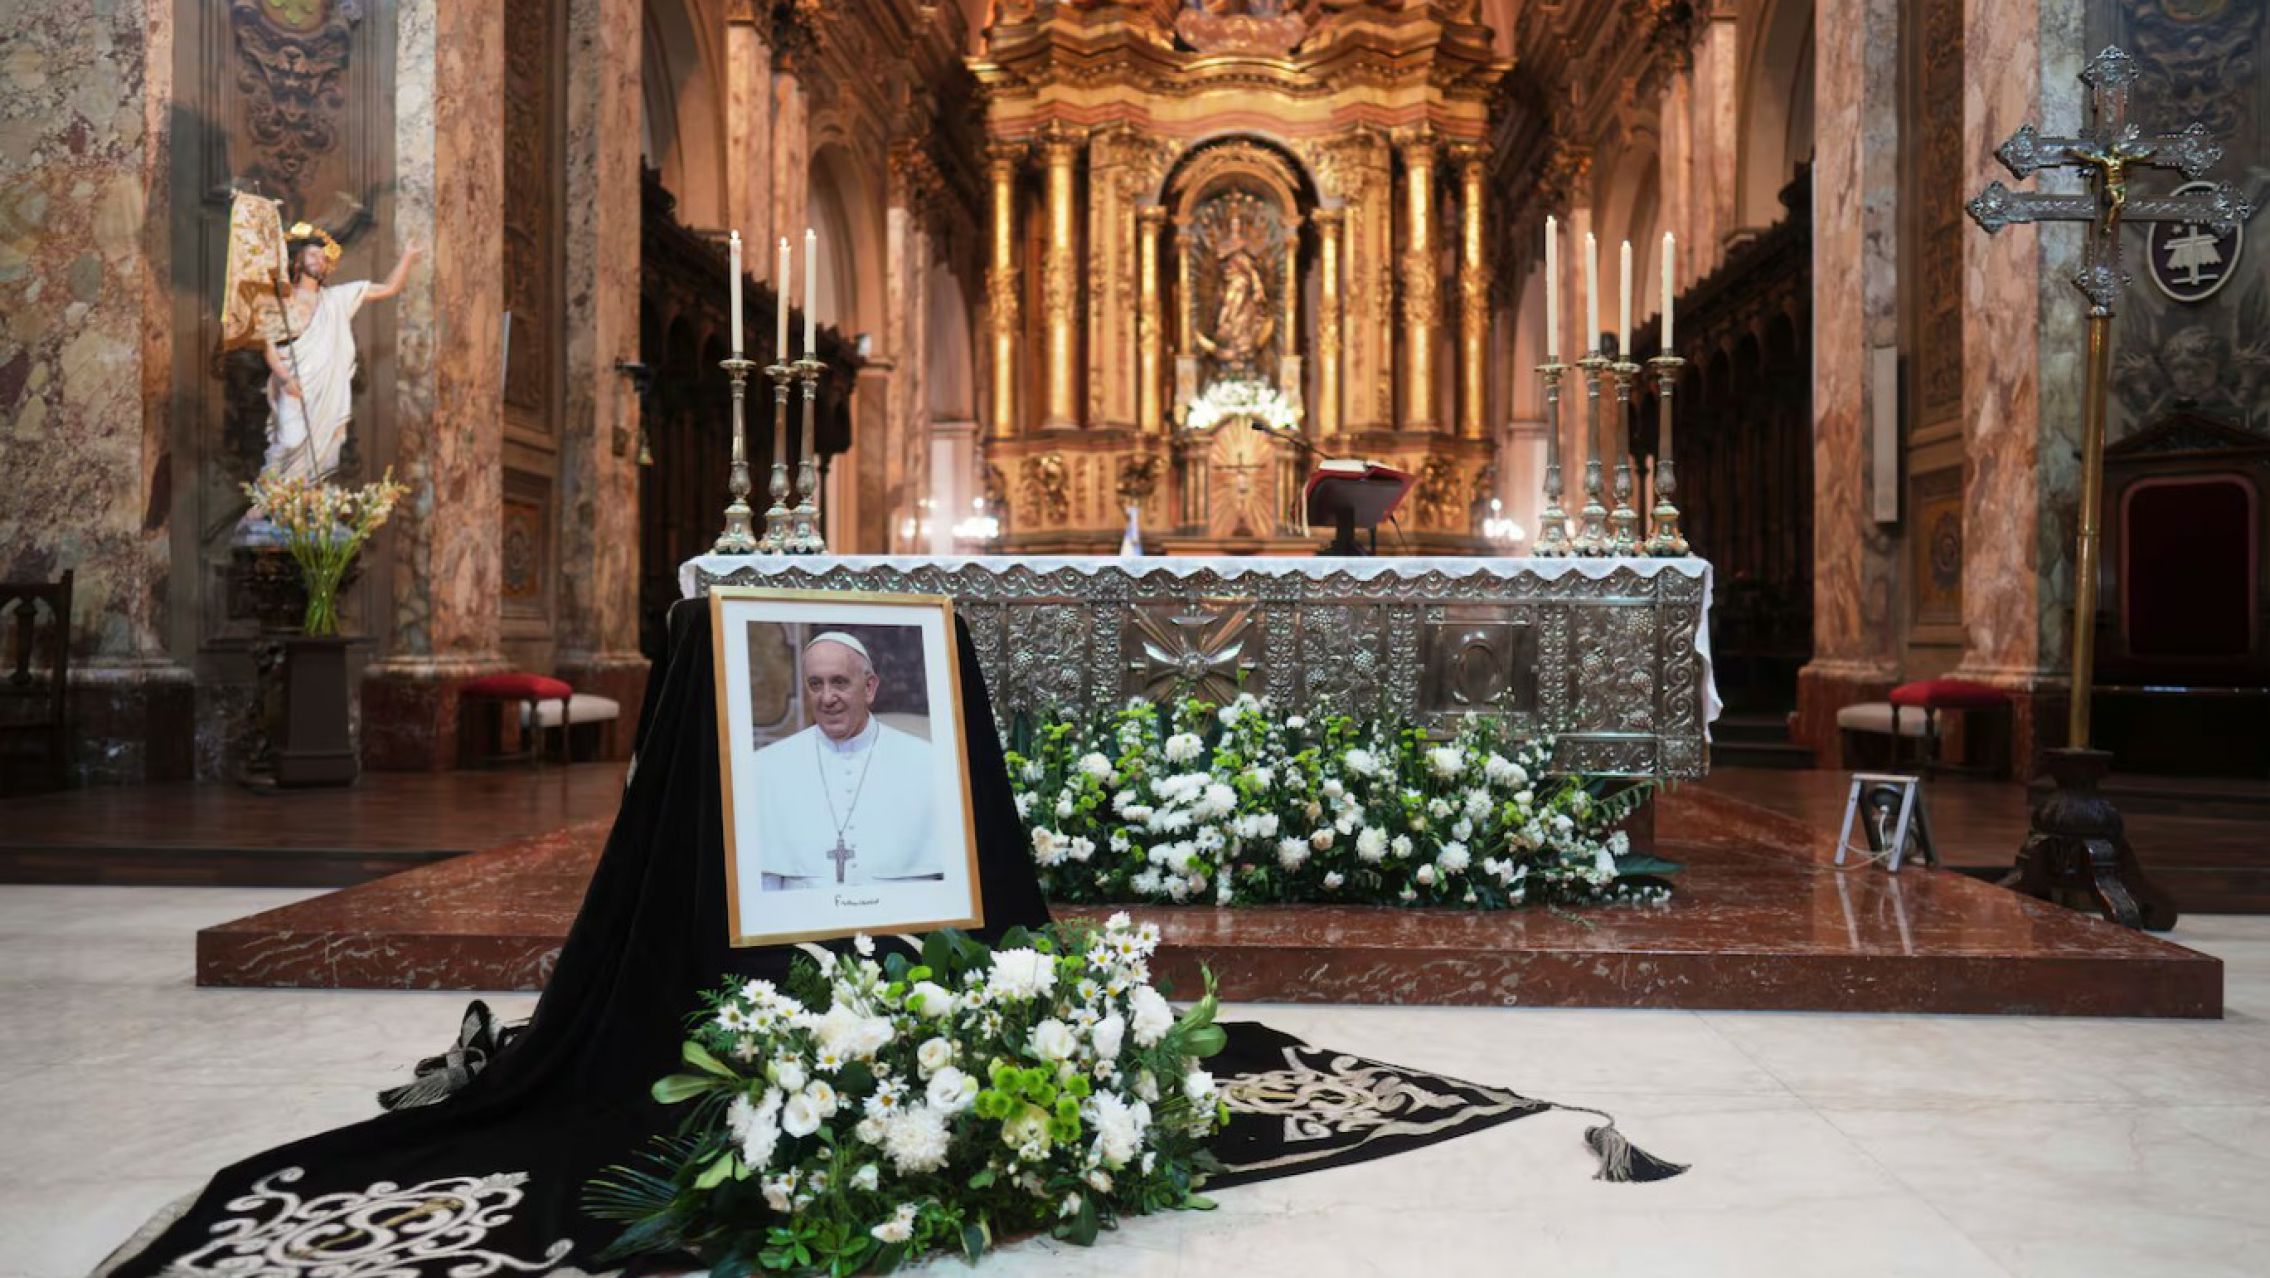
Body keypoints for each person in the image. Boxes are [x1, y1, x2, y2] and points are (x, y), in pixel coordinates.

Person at [748, 631, 939, 892]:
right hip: (805, 930)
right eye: (816, 684)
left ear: (869, 687)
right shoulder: (765, 768)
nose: (827, 698)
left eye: (839, 682)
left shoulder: (928, 764)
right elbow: (761, 887)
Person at [260, 223, 420, 482]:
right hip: (294, 384)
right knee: (289, 441)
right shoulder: (281, 301)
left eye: (323, 258)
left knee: (328, 447)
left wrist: (408, 257)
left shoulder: (336, 299)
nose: (319, 261)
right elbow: (268, 346)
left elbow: (388, 289)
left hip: (329, 389)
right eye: (313, 255)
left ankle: (304, 501)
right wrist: (285, 378)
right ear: (298, 259)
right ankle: (264, 500)